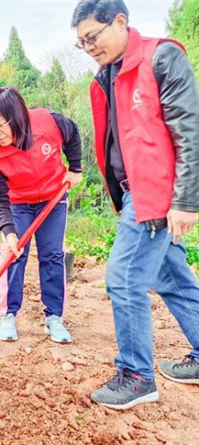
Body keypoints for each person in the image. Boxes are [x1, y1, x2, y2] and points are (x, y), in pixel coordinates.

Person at [72, 0, 199, 410]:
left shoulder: (161, 57)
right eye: (81, 43)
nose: (89, 47)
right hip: (134, 193)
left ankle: (137, 376)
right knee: (173, 278)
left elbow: (189, 131)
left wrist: (185, 199)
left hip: (157, 194)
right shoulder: (108, 74)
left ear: (121, 21)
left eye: (93, 36)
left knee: (123, 278)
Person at [0, 87, 83, 344]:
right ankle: (8, 315)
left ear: (17, 117)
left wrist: (76, 169)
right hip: (17, 203)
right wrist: (9, 232)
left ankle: (54, 317)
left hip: (53, 198)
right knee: (14, 254)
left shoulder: (50, 122)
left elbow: (73, 136)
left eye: (0, 124)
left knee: (52, 255)